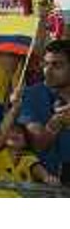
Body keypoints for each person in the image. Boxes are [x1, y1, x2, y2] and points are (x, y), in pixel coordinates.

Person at [17, 40, 70, 184]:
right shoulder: (31, 94)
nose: (48, 70)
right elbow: (38, 144)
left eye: (57, 65)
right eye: (45, 64)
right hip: (45, 187)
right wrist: (57, 122)